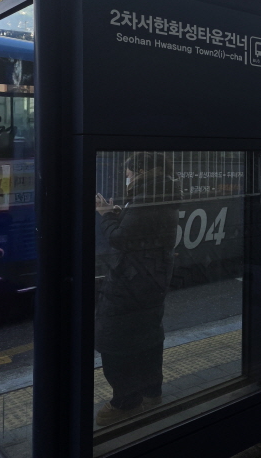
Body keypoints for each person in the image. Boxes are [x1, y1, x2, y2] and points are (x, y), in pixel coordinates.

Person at [94, 152, 179, 427]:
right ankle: (152, 392)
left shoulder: (146, 198)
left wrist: (105, 215)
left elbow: (121, 239)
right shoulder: (161, 192)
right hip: (152, 278)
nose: (127, 179)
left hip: (131, 281)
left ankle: (126, 402)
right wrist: (121, 213)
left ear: (142, 171)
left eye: (129, 174)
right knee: (148, 334)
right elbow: (144, 229)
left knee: (115, 339)